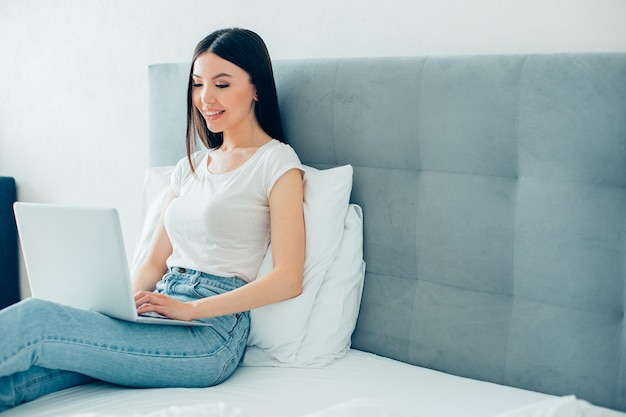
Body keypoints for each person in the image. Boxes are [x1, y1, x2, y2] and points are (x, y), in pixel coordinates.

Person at [0, 28, 305, 411]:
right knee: (21, 378)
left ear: (257, 88)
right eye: (197, 84)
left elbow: (288, 278)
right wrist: (119, 306)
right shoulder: (190, 167)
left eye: (221, 84)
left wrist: (192, 309)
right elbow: (153, 262)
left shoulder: (276, 162)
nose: (205, 98)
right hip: (159, 307)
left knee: (37, 319)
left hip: (211, 332)